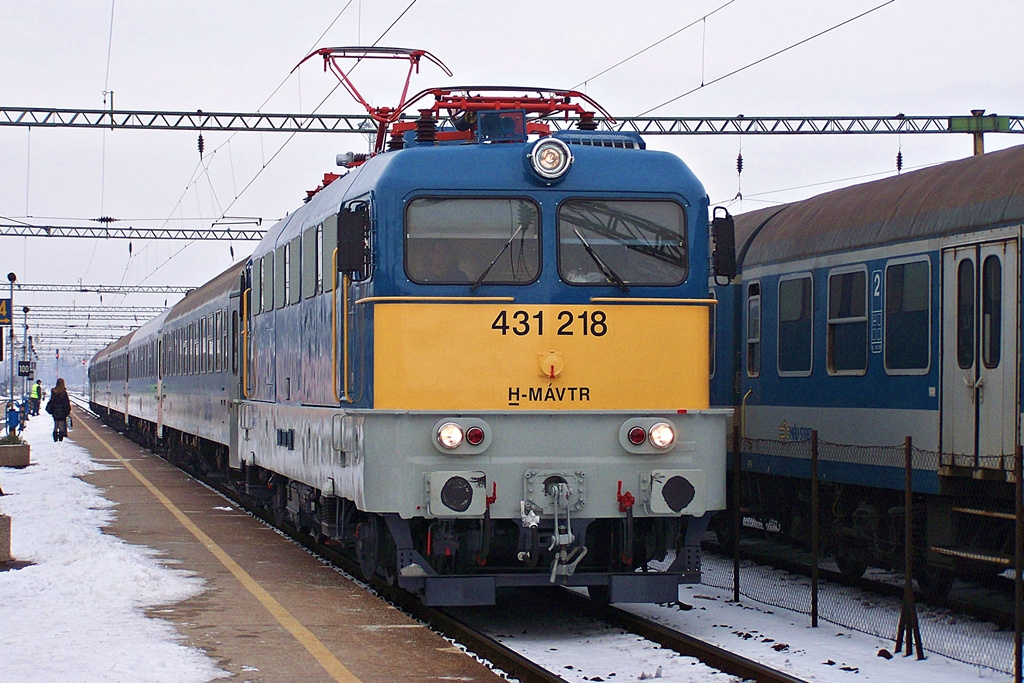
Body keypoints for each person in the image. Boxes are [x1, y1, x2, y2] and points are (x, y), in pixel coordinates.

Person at [45, 377, 72, 442]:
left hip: (55, 410)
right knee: (61, 425)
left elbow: (52, 400)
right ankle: (60, 438)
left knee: (56, 424)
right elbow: (66, 402)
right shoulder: (64, 392)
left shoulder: (53, 391)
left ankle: (55, 438)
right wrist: (68, 411)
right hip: (62, 411)